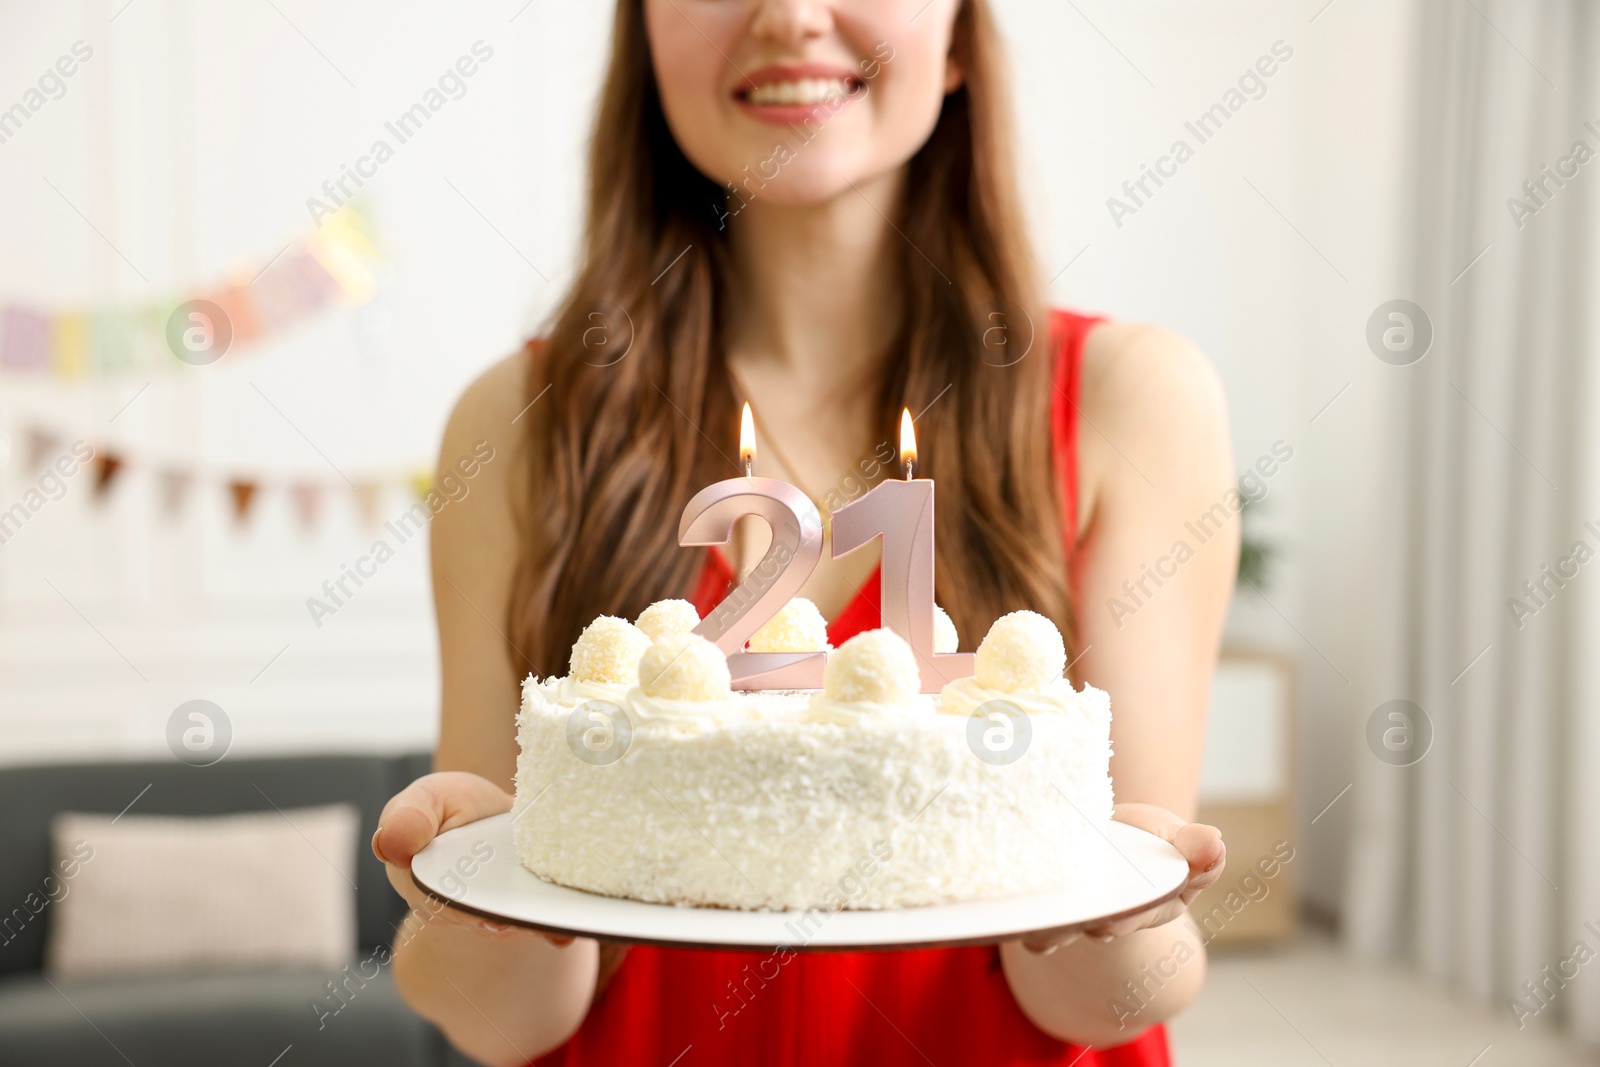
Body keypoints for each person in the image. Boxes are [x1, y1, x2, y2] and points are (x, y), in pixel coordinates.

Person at [372, 1, 1234, 1063]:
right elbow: (502, 1021)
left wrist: (1118, 924)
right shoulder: (515, 424)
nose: (786, 14)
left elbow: (1121, 994)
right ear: (643, 32)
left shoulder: (1132, 399)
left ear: (959, 36)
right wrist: (475, 908)